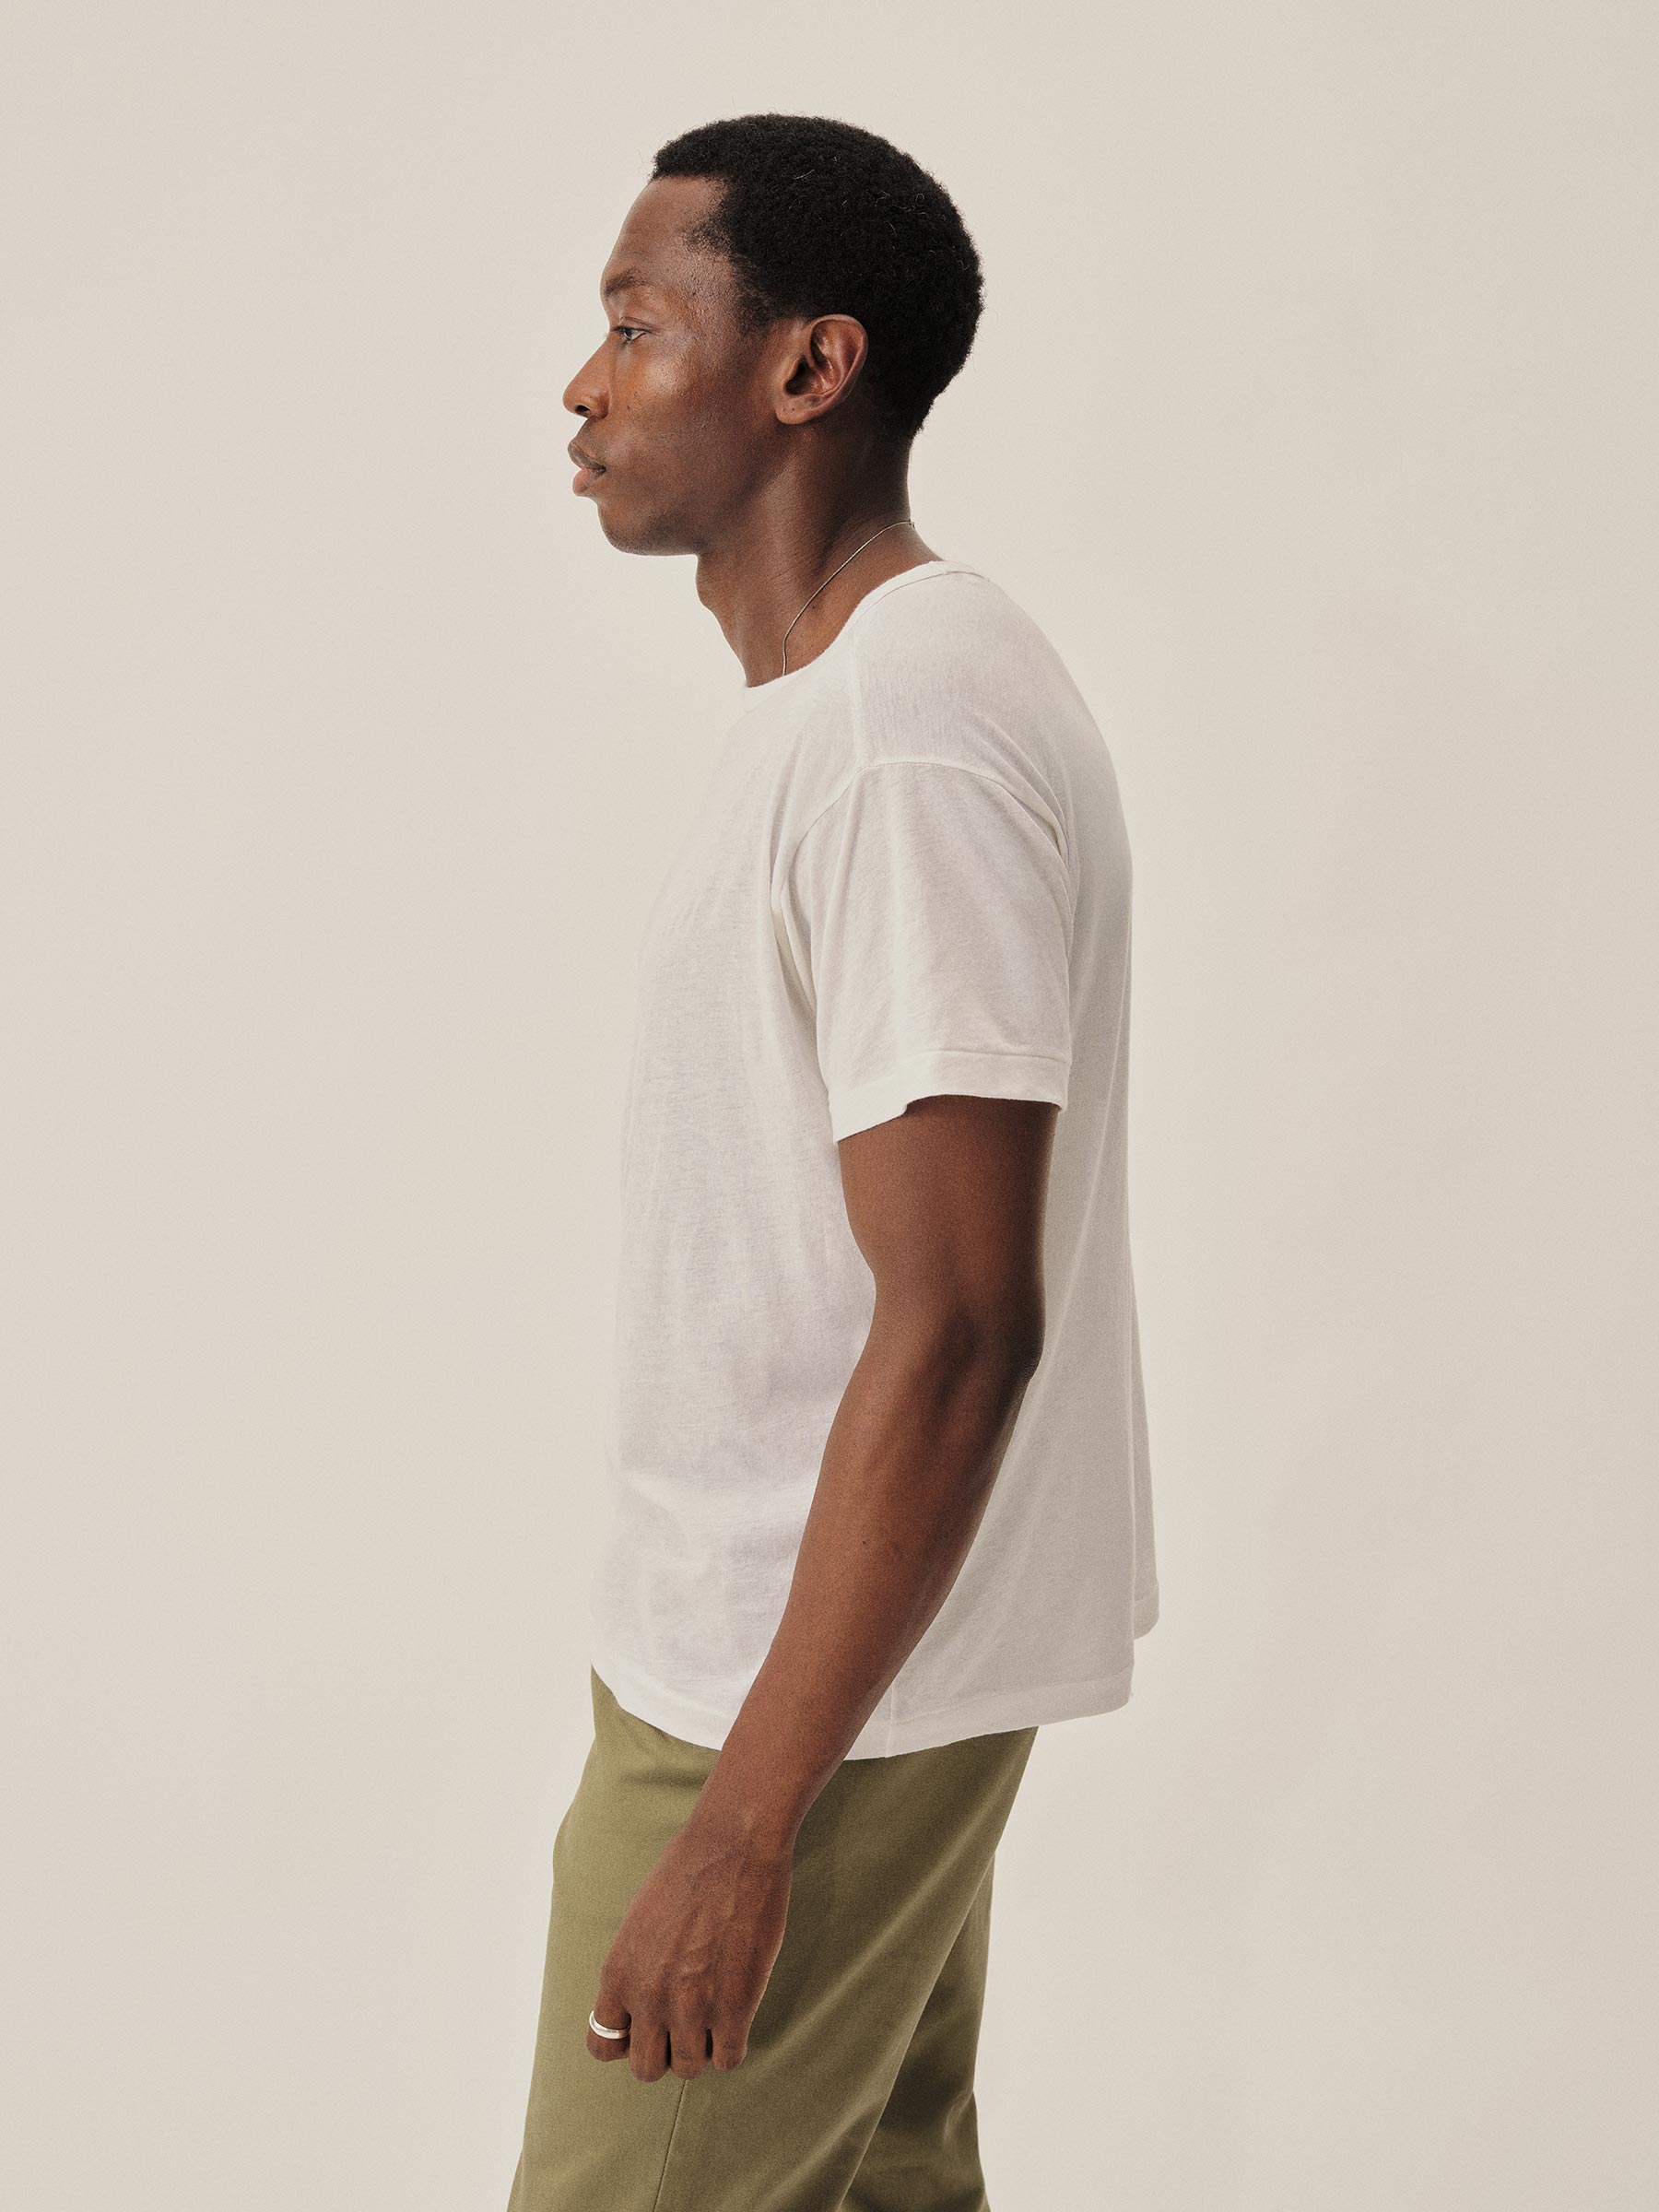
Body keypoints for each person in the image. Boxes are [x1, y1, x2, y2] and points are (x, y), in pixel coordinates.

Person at [506, 112, 1159, 2211]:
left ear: (808, 367)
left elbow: (964, 1321)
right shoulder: (860, 711)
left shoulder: (902, 739)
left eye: (639, 324)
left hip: (787, 1705)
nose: (586, 384)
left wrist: (744, 1823)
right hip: (844, 1678)